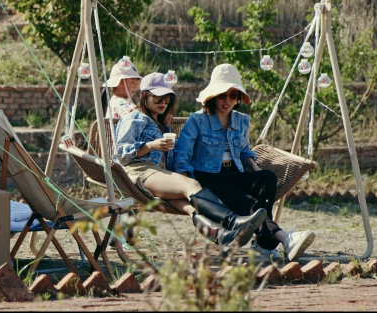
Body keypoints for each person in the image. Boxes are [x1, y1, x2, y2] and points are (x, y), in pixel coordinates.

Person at [172, 63, 316, 261]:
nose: (227, 100)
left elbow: (243, 151)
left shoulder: (241, 120)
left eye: (233, 95)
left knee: (266, 177)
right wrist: (186, 184)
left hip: (235, 174)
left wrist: (254, 168)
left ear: (238, 97)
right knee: (249, 204)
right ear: (213, 96)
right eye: (222, 95)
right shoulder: (197, 120)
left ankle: (264, 243)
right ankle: (284, 239)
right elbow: (182, 155)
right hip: (209, 179)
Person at [114, 72, 267, 253]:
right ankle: (232, 220)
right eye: (158, 98)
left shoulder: (162, 123)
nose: (164, 102)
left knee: (190, 207)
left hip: (158, 174)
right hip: (138, 171)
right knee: (191, 184)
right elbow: (121, 153)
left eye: (168, 98)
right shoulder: (135, 118)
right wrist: (152, 145)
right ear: (143, 96)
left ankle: (219, 235)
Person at [104, 56, 142, 120]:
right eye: (133, 82)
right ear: (120, 82)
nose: (135, 87)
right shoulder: (121, 102)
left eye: (136, 84)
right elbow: (137, 116)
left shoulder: (113, 101)